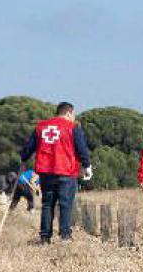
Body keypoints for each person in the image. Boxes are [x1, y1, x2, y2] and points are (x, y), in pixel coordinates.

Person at [18, 101, 93, 243]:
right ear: (69, 113)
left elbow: (28, 148)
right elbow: (82, 150)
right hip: (66, 171)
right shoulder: (72, 128)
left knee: (47, 204)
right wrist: (87, 166)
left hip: (46, 172)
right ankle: (65, 236)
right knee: (65, 204)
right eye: (73, 114)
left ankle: (45, 237)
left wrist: (23, 158)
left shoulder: (40, 127)